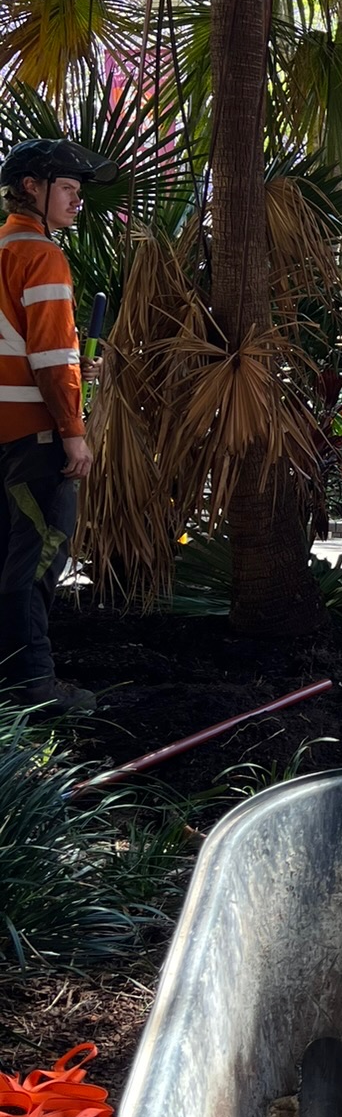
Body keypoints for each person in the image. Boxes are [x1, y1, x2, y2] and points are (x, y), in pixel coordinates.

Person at [0, 138, 118, 712]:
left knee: (10, 554)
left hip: (6, 434)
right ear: (32, 186)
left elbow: (29, 347)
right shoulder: (41, 254)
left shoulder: (1, 248)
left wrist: (73, 357)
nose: (77, 202)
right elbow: (46, 361)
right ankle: (34, 688)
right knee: (41, 556)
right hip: (37, 436)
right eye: (68, 189)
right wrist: (74, 432)